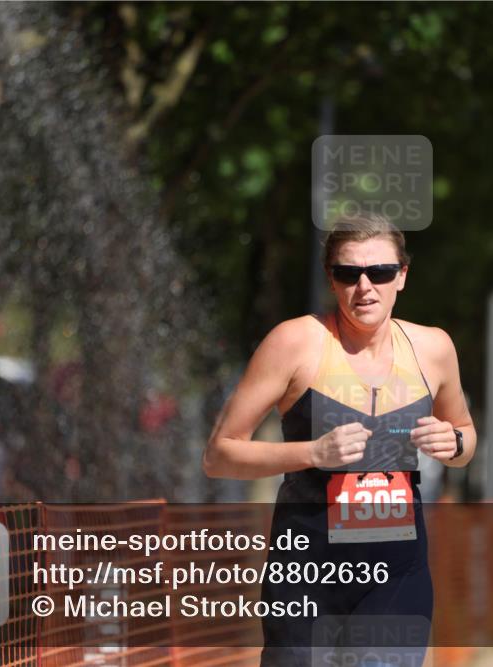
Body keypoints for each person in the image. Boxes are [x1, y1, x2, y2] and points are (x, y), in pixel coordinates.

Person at [204, 213, 476, 667]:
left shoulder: (434, 349)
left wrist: (455, 444)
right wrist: (312, 453)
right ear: (331, 279)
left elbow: (465, 437)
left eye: (381, 272)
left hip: (396, 570)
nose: (364, 287)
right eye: (348, 273)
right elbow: (219, 454)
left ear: (402, 276)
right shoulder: (294, 343)